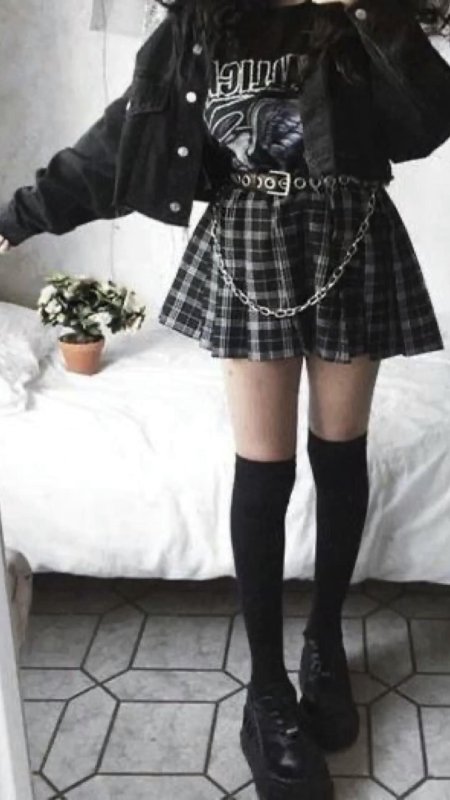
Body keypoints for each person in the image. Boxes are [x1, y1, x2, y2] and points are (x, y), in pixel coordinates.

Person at [1, 0, 450, 796]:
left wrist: (371, 11)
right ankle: (267, 690)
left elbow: (429, 121)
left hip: (354, 234)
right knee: (265, 468)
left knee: (341, 454)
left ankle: (323, 646)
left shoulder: (360, 15)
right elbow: (122, 142)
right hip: (250, 240)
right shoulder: (203, 23)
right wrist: (15, 219)